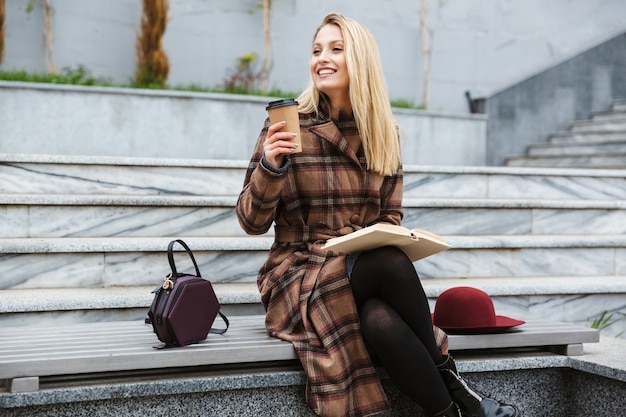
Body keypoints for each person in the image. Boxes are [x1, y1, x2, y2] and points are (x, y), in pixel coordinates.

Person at [236, 12, 521, 417]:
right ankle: (455, 383)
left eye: (336, 49)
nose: (323, 58)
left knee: (379, 318)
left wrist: (383, 235)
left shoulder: (383, 133)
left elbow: (390, 217)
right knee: (388, 262)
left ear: (361, 61)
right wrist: (272, 165)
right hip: (296, 275)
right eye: (317, 50)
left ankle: (452, 413)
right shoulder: (288, 127)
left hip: (358, 269)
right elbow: (250, 223)